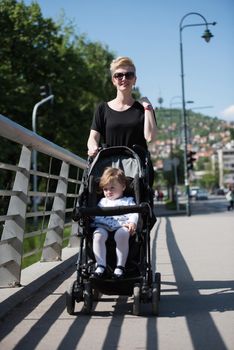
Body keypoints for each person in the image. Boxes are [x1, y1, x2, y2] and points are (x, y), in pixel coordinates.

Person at [87, 56, 157, 186]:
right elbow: (93, 137)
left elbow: (150, 136)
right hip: (109, 172)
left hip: (138, 172)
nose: (124, 79)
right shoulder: (102, 109)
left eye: (129, 75)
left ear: (135, 80)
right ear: (113, 80)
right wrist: (92, 147)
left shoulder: (143, 109)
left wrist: (148, 107)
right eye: (119, 75)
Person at [92, 167, 139, 279]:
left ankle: (120, 266)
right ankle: (101, 265)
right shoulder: (103, 202)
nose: (108, 192)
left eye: (112, 188)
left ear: (123, 187)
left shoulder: (128, 201)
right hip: (103, 226)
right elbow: (96, 215)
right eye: (105, 189)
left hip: (122, 225)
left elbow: (134, 213)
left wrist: (133, 222)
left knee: (122, 234)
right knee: (98, 235)